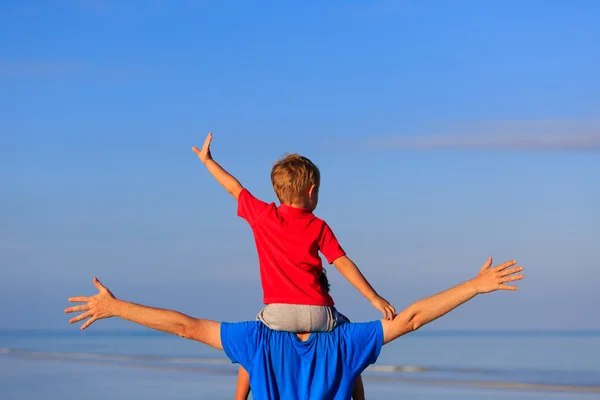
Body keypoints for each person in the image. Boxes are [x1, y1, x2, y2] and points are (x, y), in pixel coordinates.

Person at [65, 257, 524, 400]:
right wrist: (474, 286)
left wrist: (117, 307)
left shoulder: (255, 339)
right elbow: (411, 318)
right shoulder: (347, 340)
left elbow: (185, 327)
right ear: (326, 293)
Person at [191, 132, 395, 399]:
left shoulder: (264, 216)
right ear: (312, 191)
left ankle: (240, 397)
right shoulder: (318, 225)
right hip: (320, 315)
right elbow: (342, 263)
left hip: (278, 317)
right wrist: (373, 297)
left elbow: (234, 188)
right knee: (349, 351)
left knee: (253, 347)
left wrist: (208, 162)